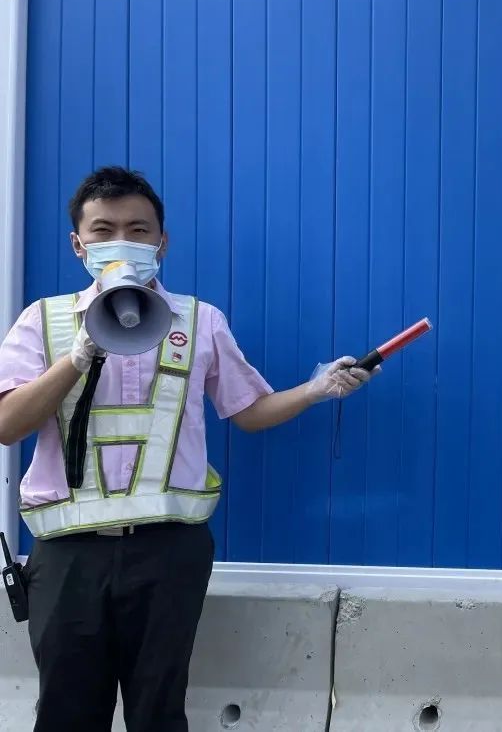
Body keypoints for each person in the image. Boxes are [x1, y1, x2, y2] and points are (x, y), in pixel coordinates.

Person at [0, 166, 379, 732]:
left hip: (169, 552)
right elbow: (8, 424)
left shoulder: (199, 321)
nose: (122, 242)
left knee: (158, 709)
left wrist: (317, 389)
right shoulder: (44, 320)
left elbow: (248, 411)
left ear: (162, 242)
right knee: (66, 712)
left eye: (138, 229)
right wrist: (78, 355)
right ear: (79, 245)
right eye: (103, 230)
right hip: (67, 555)